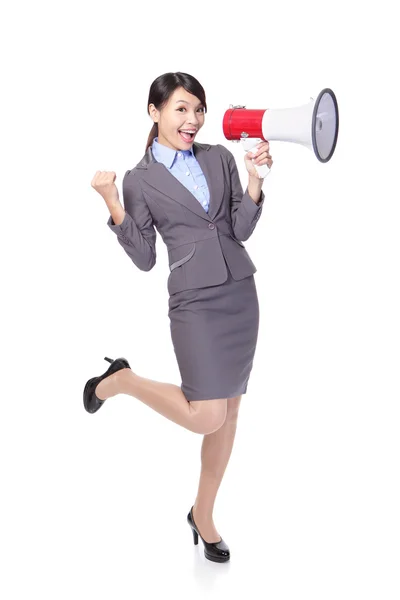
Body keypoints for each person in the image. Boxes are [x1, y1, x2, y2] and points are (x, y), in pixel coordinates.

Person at [84, 72, 273, 562]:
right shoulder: (140, 179)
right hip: (194, 301)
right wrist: (112, 204)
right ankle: (122, 381)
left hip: (239, 293)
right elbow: (145, 257)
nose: (193, 120)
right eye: (181, 109)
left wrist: (254, 182)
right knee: (205, 414)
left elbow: (239, 228)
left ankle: (204, 515)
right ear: (155, 111)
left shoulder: (218, 157)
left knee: (228, 415)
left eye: (198, 110)